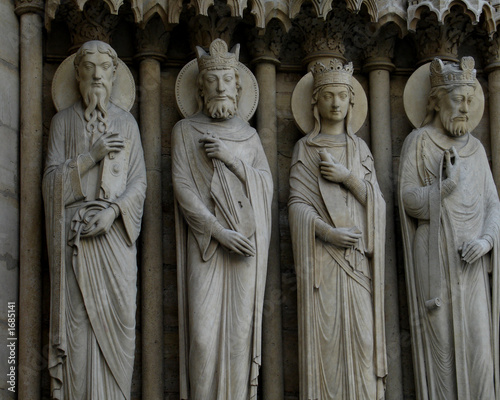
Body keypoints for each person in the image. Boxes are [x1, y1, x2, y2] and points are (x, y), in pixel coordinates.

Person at [43, 40, 146, 399]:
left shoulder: (127, 124)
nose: (97, 74)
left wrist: (114, 212)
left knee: (116, 331)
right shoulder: (62, 122)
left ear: (115, 74)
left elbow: (138, 184)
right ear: (77, 74)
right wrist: (91, 156)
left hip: (114, 240)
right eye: (88, 67)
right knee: (80, 331)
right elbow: (51, 184)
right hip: (74, 240)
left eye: (104, 67)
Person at [172, 39, 273, 399]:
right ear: (200, 87)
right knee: (201, 336)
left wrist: (231, 158)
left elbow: (265, 186)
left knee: (239, 335)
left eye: (226, 80)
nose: (219, 86)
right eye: (212, 80)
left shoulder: (249, 136)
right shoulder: (184, 131)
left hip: (244, 247)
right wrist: (217, 232)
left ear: (238, 84)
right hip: (207, 246)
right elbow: (182, 188)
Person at [399, 56, 500, 399]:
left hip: (471, 267)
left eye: (470, 100)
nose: (465, 108)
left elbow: (492, 204)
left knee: (479, 350)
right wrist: (444, 189)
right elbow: (408, 200)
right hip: (435, 261)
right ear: (438, 100)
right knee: (440, 354)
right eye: (458, 99)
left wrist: (486, 240)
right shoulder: (419, 142)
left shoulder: (476, 149)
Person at [288, 59, 387, 400]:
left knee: (362, 340)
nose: (335, 103)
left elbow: (377, 204)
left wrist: (347, 177)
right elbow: (296, 206)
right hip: (323, 262)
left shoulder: (359, 149)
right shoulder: (305, 148)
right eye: (328, 95)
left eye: (342, 95)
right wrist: (328, 234)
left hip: (358, 262)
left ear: (351, 101)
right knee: (326, 344)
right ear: (315, 101)